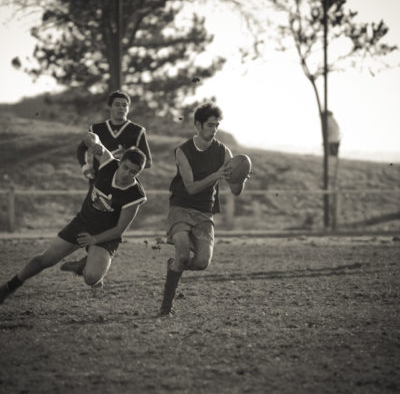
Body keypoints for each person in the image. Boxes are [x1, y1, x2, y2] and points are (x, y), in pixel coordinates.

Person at [0, 132, 147, 304]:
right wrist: (95, 143)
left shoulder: (135, 195)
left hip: (106, 236)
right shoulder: (108, 163)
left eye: (133, 172)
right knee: (45, 259)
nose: (126, 174)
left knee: (91, 278)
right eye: (125, 168)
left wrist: (94, 239)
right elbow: (90, 136)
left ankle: (82, 266)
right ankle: (10, 286)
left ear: (138, 173)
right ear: (119, 162)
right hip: (82, 223)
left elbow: (119, 230)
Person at [158, 102, 248, 316]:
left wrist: (241, 177)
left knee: (201, 263)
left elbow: (234, 190)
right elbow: (190, 188)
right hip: (181, 206)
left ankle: (174, 266)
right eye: (210, 125)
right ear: (197, 125)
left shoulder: (224, 152)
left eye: (217, 125)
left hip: (204, 212)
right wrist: (217, 175)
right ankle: (166, 306)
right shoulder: (182, 151)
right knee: (181, 252)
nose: (214, 129)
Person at [77, 90, 152, 183]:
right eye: (117, 105)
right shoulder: (96, 129)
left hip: (124, 184)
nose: (121, 108)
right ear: (110, 107)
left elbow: (148, 162)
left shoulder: (137, 131)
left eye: (124, 105)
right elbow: (81, 149)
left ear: (128, 108)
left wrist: (126, 158)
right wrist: (85, 167)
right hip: (99, 181)